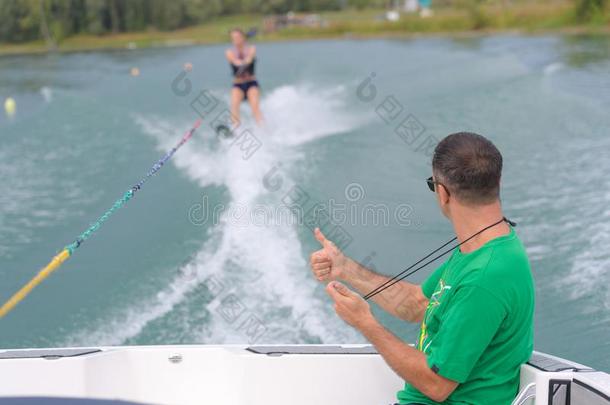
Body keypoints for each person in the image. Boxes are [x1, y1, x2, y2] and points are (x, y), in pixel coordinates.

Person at [309, 132, 535, 404]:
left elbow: (437, 384)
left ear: (442, 193)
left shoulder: (485, 276)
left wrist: (365, 323)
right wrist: (345, 268)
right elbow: (418, 304)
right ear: (497, 181)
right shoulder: (484, 248)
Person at [225, 28, 263, 126]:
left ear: (242, 38)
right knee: (234, 106)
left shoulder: (251, 48)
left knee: (254, 106)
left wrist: (246, 60)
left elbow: (250, 58)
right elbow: (234, 61)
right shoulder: (229, 52)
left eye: (237, 37)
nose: (235, 40)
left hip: (251, 83)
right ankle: (236, 130)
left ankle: (263, 128)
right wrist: (240, 62)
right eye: (233, 38)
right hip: (238, 84)